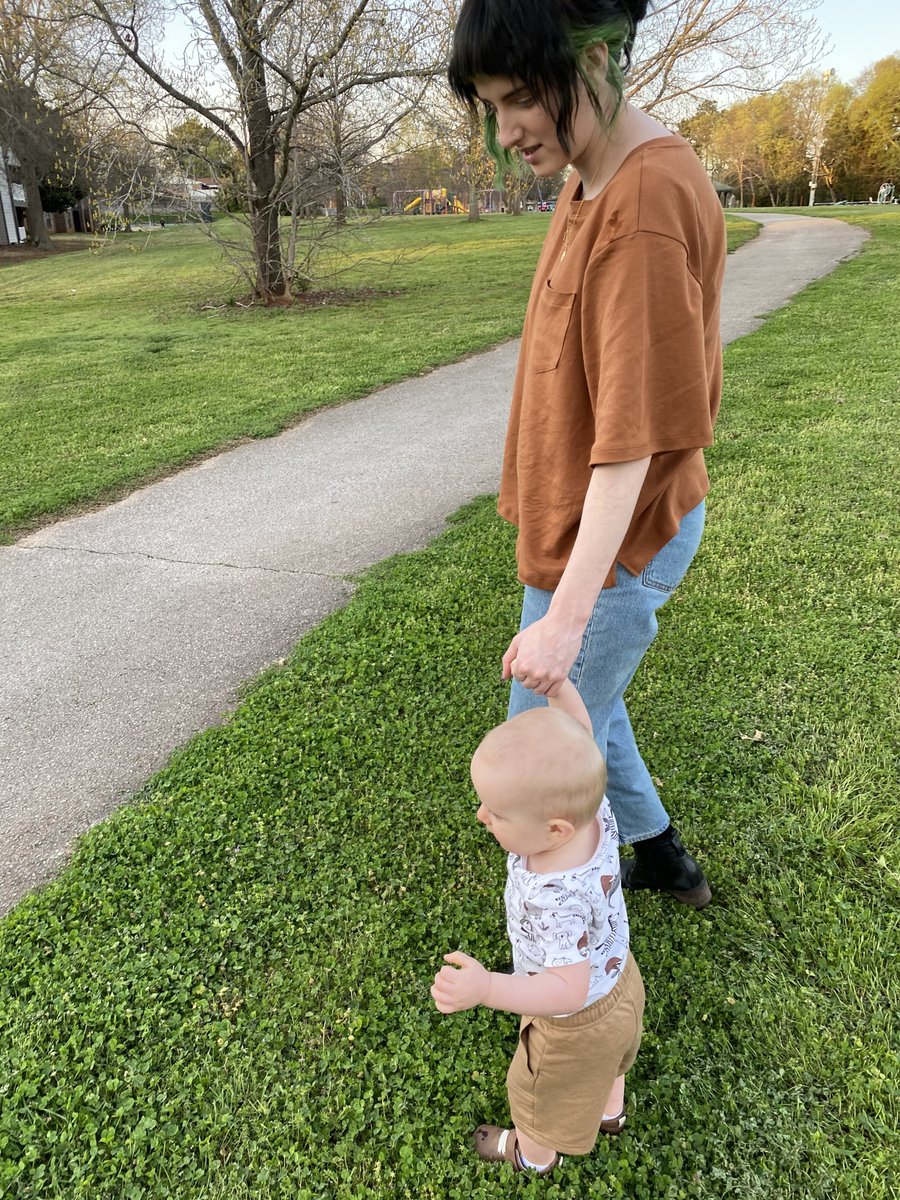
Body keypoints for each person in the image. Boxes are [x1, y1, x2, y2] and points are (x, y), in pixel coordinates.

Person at [448, 0, 726, 907]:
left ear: (597, 57)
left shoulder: (641, 206)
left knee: (539, 757)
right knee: (587, 708)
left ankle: (570, 975)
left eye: (525, 95)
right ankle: (664, 857)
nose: (509, 128)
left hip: (613, 542)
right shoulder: (591, 174)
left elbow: (634, 444)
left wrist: (566, 619)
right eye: (493, 104)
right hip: (574, 530)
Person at [432, 679, 644, 1175]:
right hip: (620, 979)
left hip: (574, 1023)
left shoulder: (552, 896)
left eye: (498, 812)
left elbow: (565, 991)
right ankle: (610, 1113)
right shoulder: (593, 811)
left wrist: (485, 986)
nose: (482, 816)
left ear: (555, 830)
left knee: (539, 1095)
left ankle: (532, 1154)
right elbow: (582, 734)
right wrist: (558, 687)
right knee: (614, 1060)